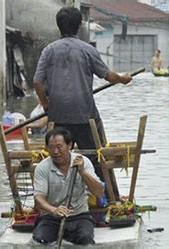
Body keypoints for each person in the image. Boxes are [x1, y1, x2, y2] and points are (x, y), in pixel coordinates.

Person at [33, 7, 132, 180]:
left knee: (58, 158)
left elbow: (37, 82)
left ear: (59, 27)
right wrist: (123, 79)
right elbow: (109, 76)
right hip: (86, 116)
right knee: (97, 157)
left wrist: (46, 105)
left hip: (58, 117)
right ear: (79, 26)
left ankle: (57, 197)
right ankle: (107, 197)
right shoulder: (87, 50)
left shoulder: (49, 50)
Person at [33, 127, 104, 245]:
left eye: (59, 147)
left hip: (79, 216)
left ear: (69, 145)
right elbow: (38, 199)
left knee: (86, 239)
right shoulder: (42, 167)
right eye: (51, 147)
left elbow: (99, 192)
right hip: (51, 217)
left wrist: (82, 172)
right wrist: (54, 210)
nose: (55, 152)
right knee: (40, 240)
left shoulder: (83, 162)